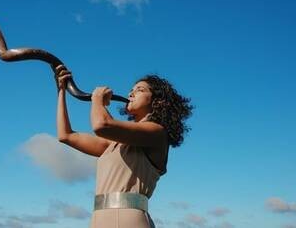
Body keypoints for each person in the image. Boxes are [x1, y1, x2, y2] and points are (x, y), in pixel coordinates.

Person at [54, 65, 193, 228]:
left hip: (130, 218)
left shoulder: (157, 132)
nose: (130, 94)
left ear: (158, 101)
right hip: (99, 218)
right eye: (131, 90)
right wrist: (62, 91)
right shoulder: (114, 144)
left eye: (140, 90)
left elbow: (101, 125)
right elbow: (66, 135)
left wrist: (98, 100)